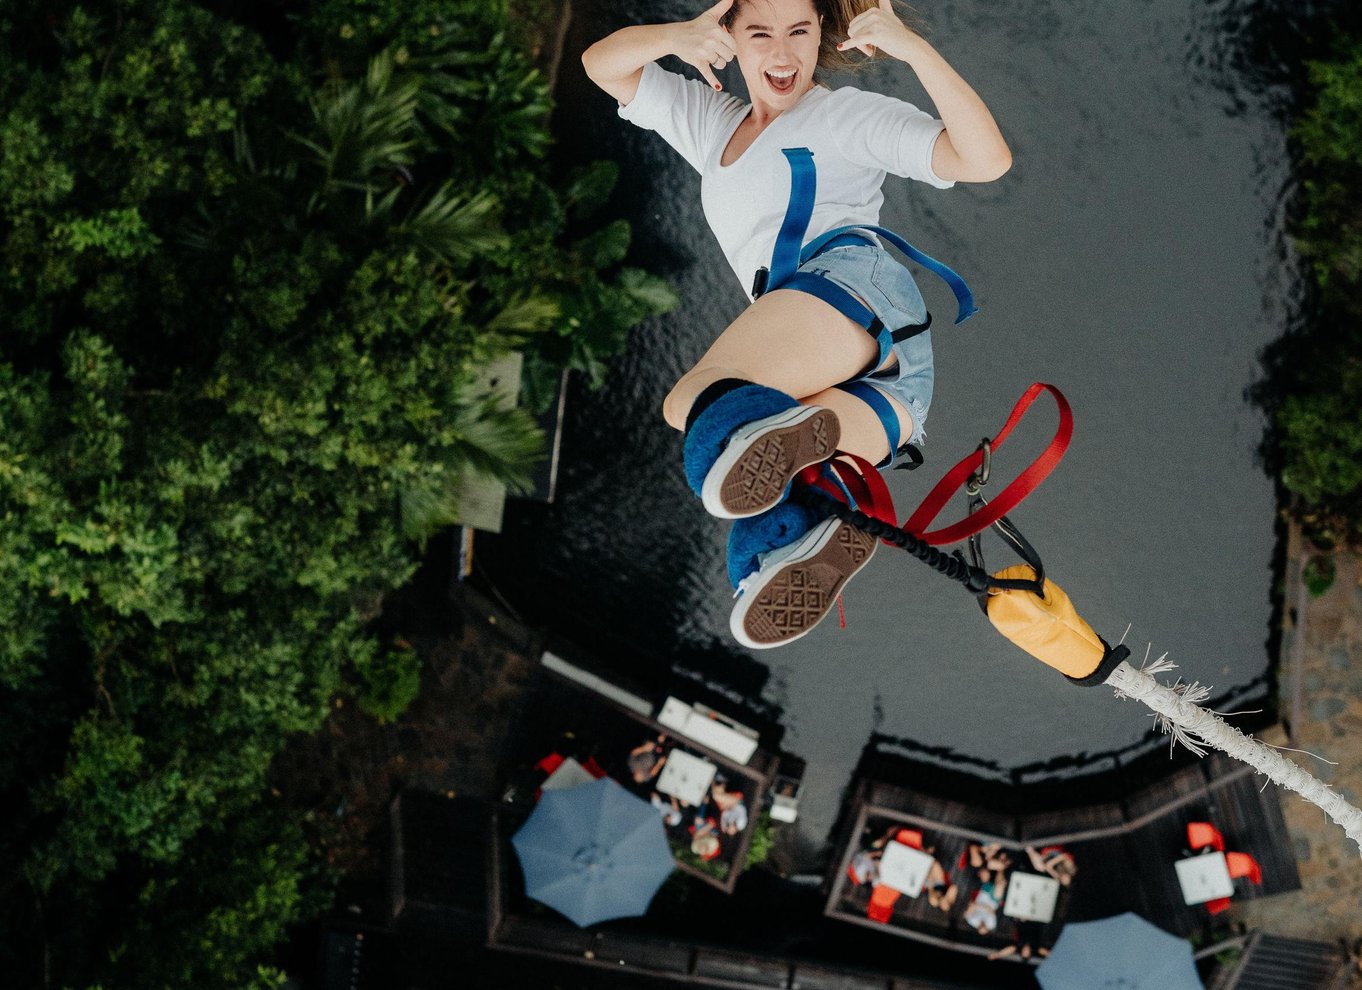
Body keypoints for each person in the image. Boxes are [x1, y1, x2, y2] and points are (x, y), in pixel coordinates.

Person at [582, 0, 1010, 649]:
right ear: (726, 35)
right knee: (769, 530)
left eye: (798, 33)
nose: (781, 54)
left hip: (855, 299)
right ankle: (800, 536)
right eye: (759, 33)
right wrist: (678, 35)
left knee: (690, 410)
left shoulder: (841, 117)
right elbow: (600, 64)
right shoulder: (711, 123)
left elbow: (985, 160)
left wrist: (913, 48)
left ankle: (791, 451)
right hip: (900, 387)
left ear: (820, 37)